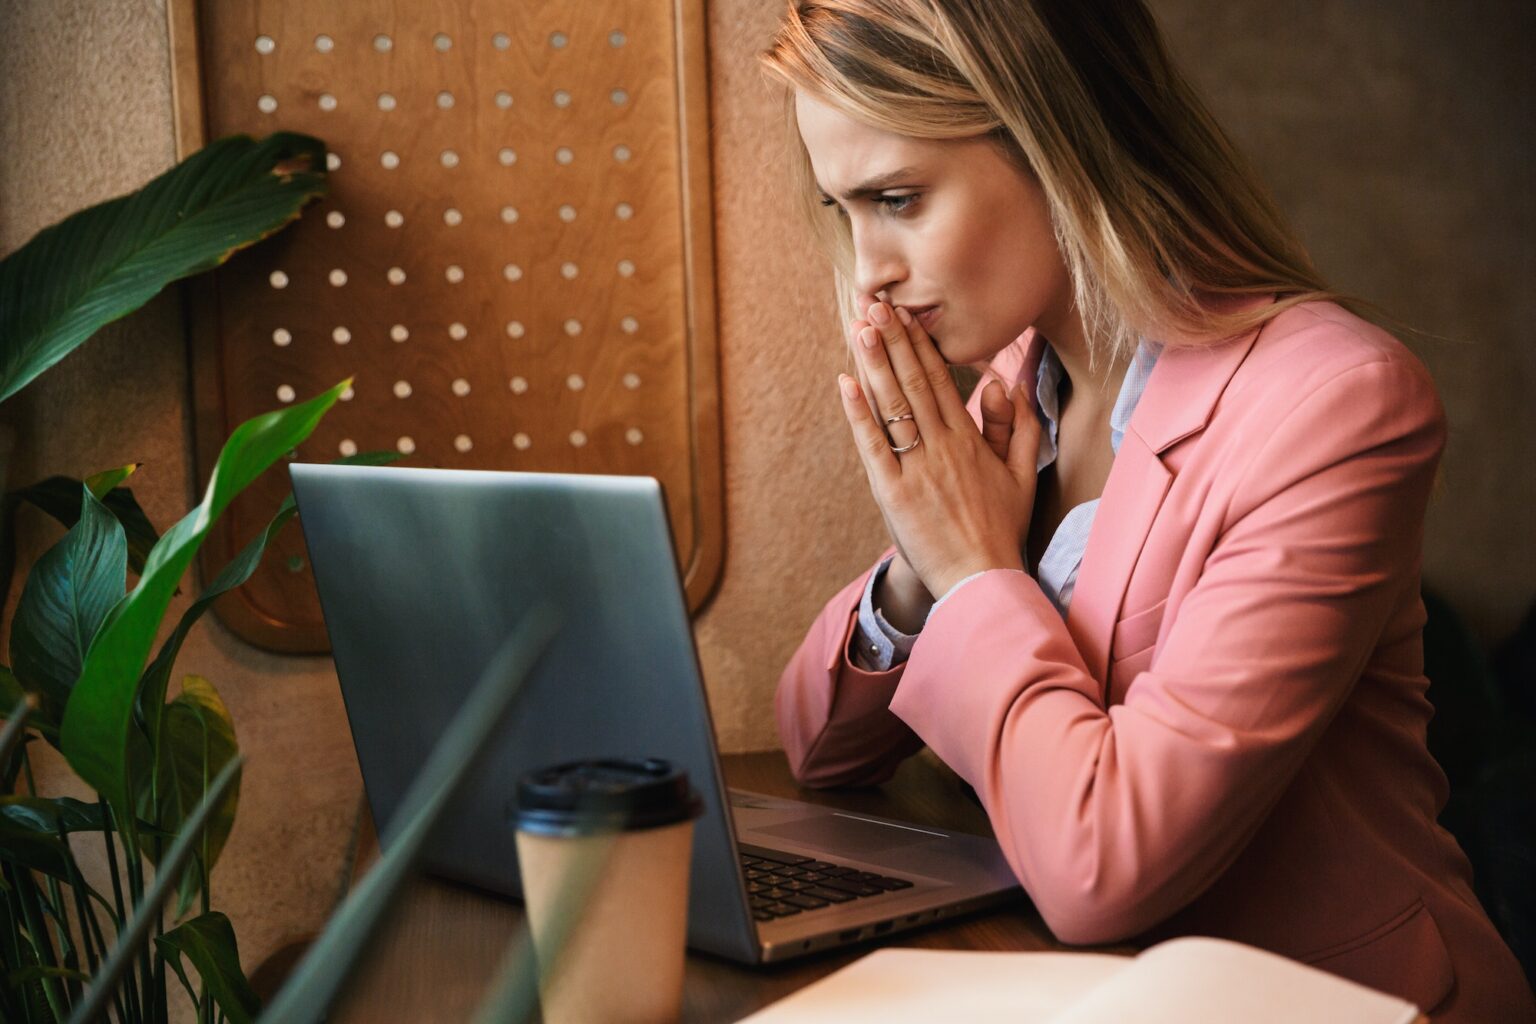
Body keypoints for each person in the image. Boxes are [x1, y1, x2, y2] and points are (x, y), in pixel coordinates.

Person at [761, 1, 1536, 1020]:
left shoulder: (1337, 403)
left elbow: (1101, 871)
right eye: (845, 209)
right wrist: (920, 559)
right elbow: (818, 745)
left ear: (1059, 138)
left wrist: (973, 572)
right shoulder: (1021, 380)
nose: (871, 271)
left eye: (899, 198)